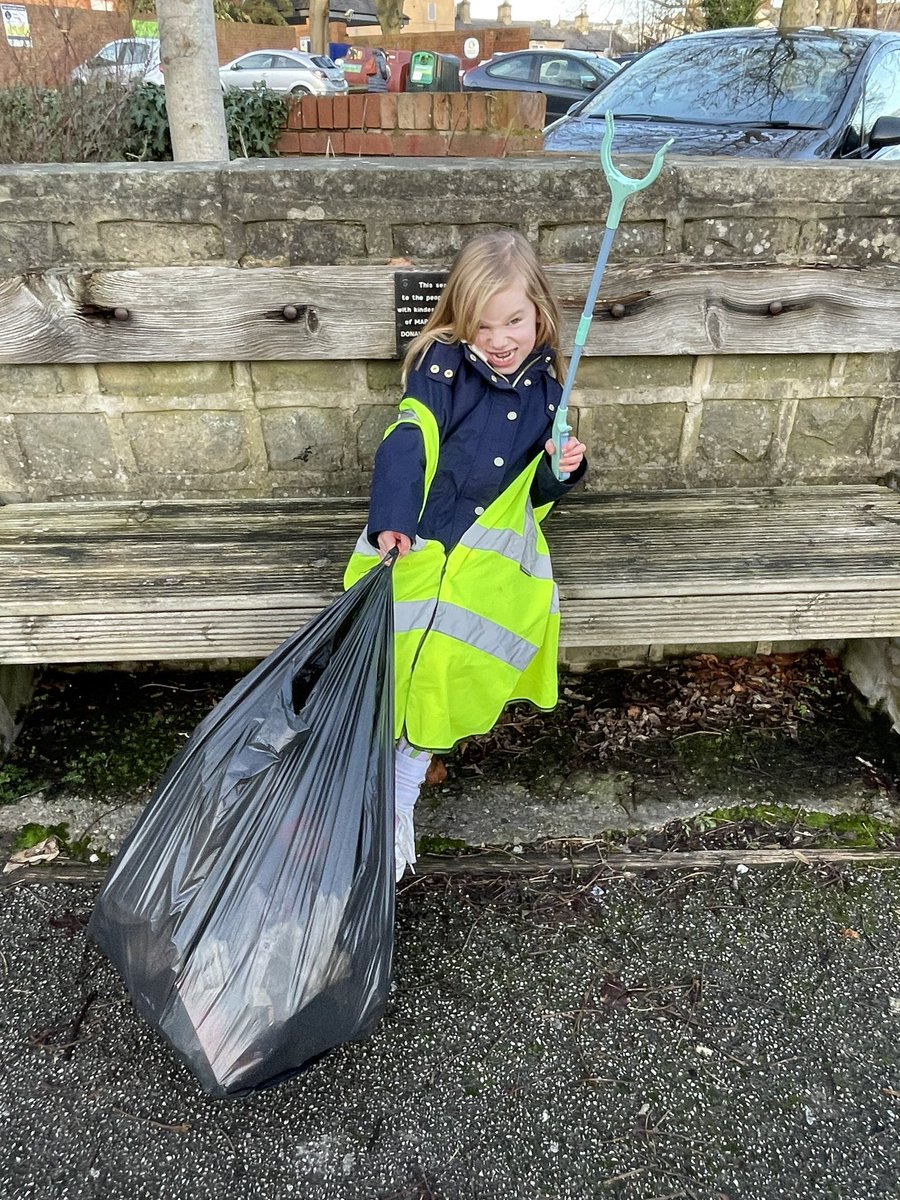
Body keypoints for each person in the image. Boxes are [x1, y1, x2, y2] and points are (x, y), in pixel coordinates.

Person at [344, 230, 587, 882]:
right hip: (419, 540)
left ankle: (400, 796)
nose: (501, 338)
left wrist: (562, 469)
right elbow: (409, 436)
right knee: (391, 658)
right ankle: (354, 786)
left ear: (539, 311)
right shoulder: (442, 367)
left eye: (513, 320)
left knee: (446, 666)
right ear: (460, 322)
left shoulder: (549, 396)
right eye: (484, 326)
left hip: (485, 563)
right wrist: (392, 517)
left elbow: (534, 498)